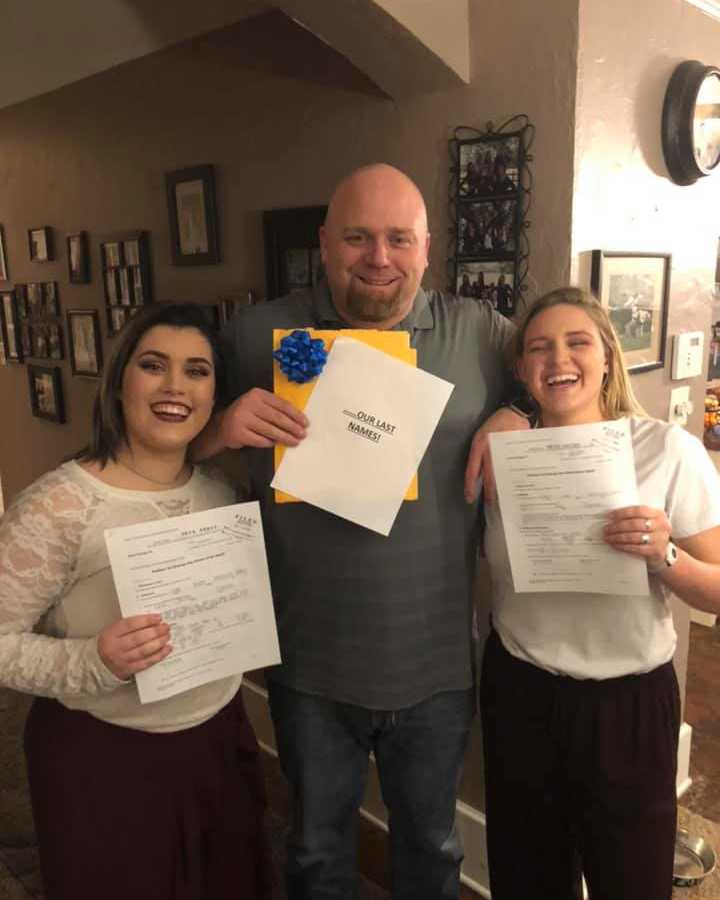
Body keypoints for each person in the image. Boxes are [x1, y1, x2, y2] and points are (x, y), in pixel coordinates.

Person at [194, 163, 516, 900]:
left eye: (399, 238)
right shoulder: (254, 334)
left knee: (433, 854)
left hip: (434, 669)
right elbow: (152, 430)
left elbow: (569, 386)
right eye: (358, 237)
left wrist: (520, 411)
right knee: (315, 853)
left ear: (427, 247)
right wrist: (217, 430)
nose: (379, 256)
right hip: (309, 668)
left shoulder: (482, 336)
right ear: (324, 243)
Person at [0, 303, 269, 900]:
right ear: (120, 380)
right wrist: (93, 661)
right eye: (154, 365)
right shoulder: (60, 505)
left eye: (197, 371)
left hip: (217, 742)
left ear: (214, 393)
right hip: (103, 759)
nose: (176, 386)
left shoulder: (222, 494)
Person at [480, 287, 720, 900]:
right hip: (521, 692)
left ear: (607, 357)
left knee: (631, 881)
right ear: (522, 370)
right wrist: (502, 417)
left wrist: (664, 554)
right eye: (539, 347)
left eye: (576, 342)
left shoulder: (667, 450)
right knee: (526, 877)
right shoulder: (498, 455)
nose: (558, 359)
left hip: (628, 706)